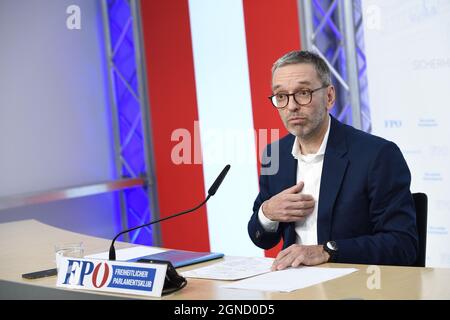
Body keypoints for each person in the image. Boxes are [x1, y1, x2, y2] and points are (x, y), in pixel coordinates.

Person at [248, 50, 418, 270]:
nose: (291, 106)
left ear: (329, 96)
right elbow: (262, 238)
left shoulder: (377, 155)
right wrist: (267, 213)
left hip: (355, 285)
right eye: (281, 96)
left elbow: (403, 245)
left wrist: (326, 251)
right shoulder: (275, 153)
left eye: (303, 92)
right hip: (291, 284)